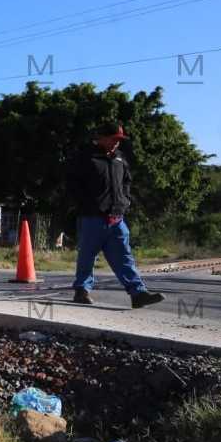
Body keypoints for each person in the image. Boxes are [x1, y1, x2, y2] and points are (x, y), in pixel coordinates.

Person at [69, 123, 165, 308]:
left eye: (119, 140)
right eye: (113, 139)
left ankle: (138, 294)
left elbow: (126, 181)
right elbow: (72, 184)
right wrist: (86, 203)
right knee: (87, 256)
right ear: (102, 137)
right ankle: (82, 290)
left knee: (124, 257)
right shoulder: (86, 158)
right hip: (92, 217)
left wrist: (125, 200)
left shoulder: (120, 159)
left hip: (117, 217)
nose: (116, 143)